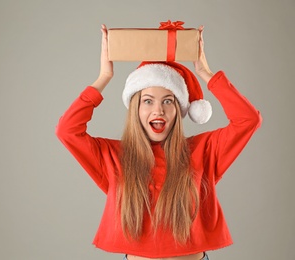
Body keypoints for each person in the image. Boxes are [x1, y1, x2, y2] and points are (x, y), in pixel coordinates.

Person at [55, 24, 262, 260]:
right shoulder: (113, 156)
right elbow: (67, 131)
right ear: (135, 108)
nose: (158, 111)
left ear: (179, 109)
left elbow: (248, 120)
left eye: (167, 101)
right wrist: (103, 78)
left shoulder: (203, 151)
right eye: (148, 101)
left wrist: (206, 73)